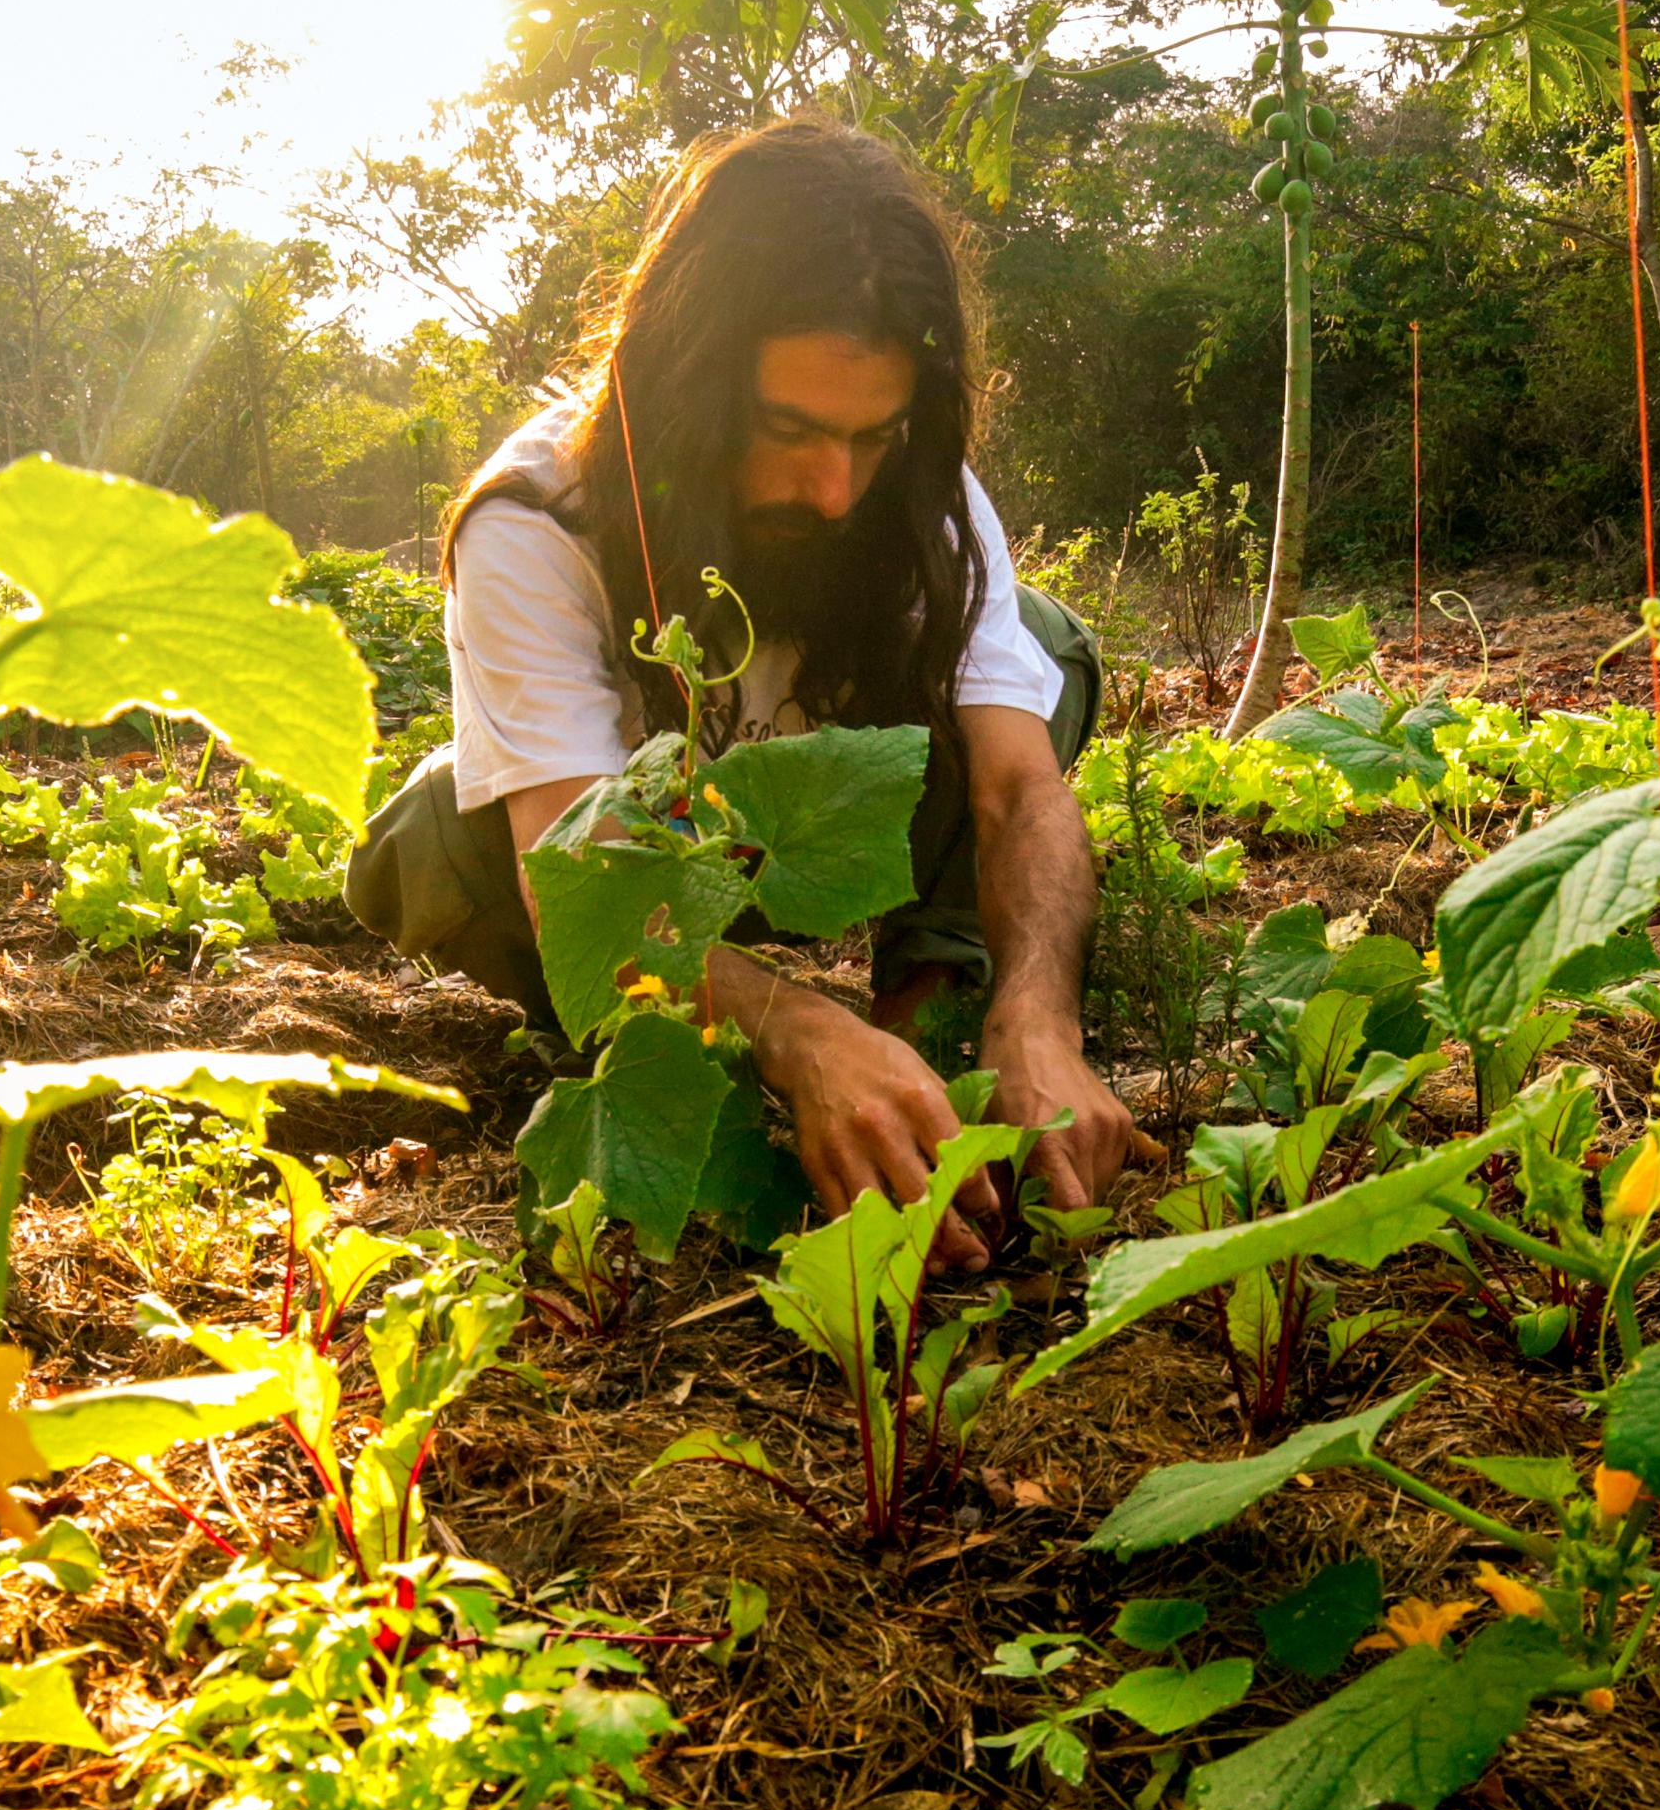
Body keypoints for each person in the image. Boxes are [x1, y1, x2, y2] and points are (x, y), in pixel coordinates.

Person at [347, 118, 1144, 1263]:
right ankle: (680, 1039)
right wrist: (792, 1029)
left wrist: (1040, 1015)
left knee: (1039, 653)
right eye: (789, 432)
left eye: (874, 436)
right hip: (649, 849)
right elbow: (574, 880)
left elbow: (1018, 794)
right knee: (434, 841)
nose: (833, 489)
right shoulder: (538, 518)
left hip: (829, 827)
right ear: (689, 383)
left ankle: (931, 1021)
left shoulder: (918, 492)